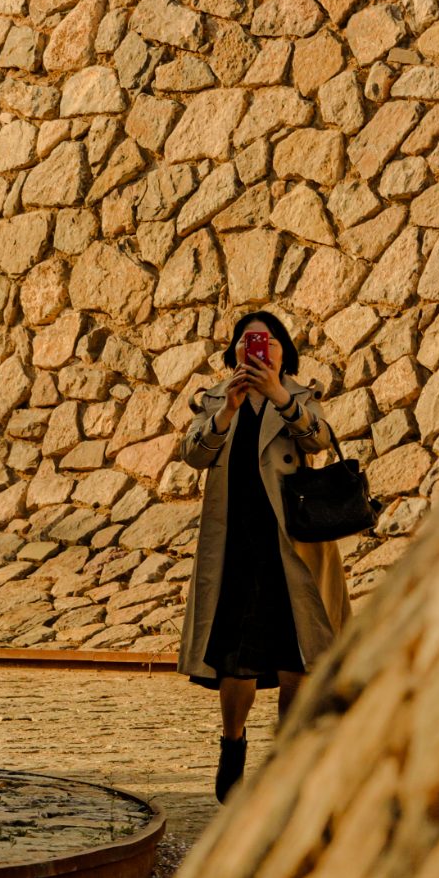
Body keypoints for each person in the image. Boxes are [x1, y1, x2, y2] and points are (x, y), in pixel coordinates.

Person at [175, 312, 352, 802]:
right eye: (250, 341)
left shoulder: (298, 397)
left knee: (297, 659)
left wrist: (278, 394)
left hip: (290, 548)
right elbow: (193, 453)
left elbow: (318, 438)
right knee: (236, 662)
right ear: (235, 351)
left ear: (283, 352)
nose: (260, 348)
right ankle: (233, 742)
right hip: (234, 544)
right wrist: (227, 410)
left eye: (270, 341)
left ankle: (286, 761)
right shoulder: (215, 400)